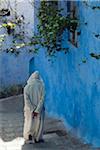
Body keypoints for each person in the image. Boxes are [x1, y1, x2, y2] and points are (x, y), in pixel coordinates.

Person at [23, 71, 45, 144]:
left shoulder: (27, 87)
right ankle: (38, 138)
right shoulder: (42, 86)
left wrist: (32, 109)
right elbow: (42, 99)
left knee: (29, 122)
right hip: (40, 110)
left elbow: (27, 100)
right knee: (39, 123)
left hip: (29, 110)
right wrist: (37, 110)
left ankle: (29, 136)